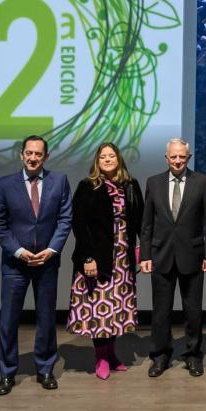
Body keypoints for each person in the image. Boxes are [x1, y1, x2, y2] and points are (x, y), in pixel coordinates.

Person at [0, 135, 73, 396]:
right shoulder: (5, 184)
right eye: (29, 153)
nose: (33, 158)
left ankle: (45, 369)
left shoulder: (59, 181)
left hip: (47, 262)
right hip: (15, 263)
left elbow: (65, 219)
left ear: (46, 156)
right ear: (21, 155)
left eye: (38, 153)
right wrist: (18, 251)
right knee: (8, 320)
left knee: (46, 318)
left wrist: (51, 250)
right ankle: (7, 373)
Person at [66, 142, 144, 380]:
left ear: (118, 159)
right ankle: (101, 357)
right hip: (97, 258)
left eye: (111, 156)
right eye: (103, 157)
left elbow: (140, 220)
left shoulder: (130, 185)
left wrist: (141, 249)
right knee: (98, 309)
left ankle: (111, 354)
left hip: (122, 259)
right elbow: (79, 224)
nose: (108, 159)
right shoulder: (87, 186)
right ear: (97, 161)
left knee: (116, 309)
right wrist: (88, 257)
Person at [140, 138, 206, 378]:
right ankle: (160, 356)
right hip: (161, 256)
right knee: (160, 313)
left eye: (182, 156)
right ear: (166, 158)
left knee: (193, 312)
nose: (178, 161)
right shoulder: (153, 182)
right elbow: (147, 224)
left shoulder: (202, 182)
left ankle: (193, 356)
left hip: (193, 255)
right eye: (174, 156)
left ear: (188, 158)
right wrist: (145, 255)